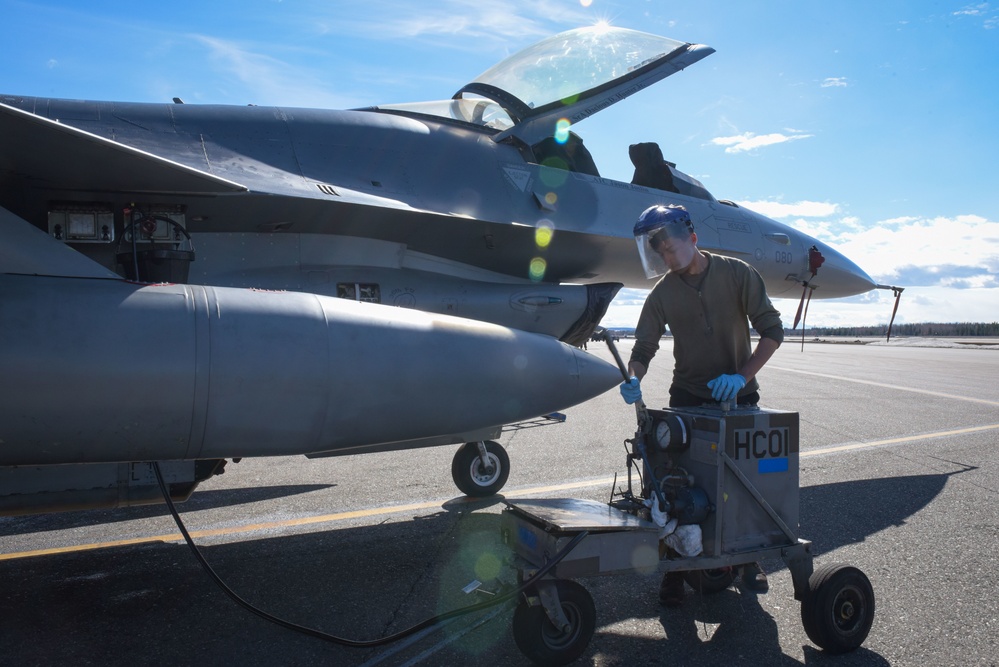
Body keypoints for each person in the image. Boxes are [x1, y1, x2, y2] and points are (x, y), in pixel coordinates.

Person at [619, 204, 785, 607]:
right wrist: (634, 375)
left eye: (674, 249)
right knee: (674, 489)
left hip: (738, 396)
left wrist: (741, 377)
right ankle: (674, 572)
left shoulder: (737, 274)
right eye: (662, 254)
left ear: (693, 239)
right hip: (688, 400)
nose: (670, 260)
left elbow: (772, 331)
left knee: (744, 485)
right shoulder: (663, 293)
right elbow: (644, 346)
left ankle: (747, 561)